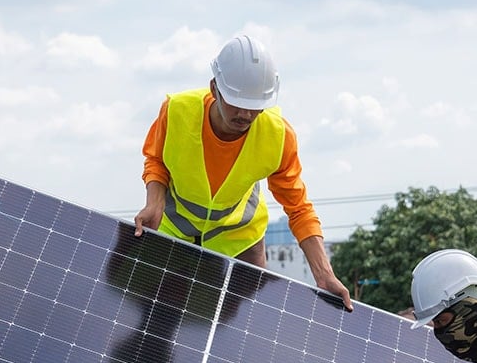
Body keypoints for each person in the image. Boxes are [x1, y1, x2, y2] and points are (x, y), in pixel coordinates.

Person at [133, 34, 353, 311]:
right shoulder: (177, 111)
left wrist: (324, 274)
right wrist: (153, 203)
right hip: (175, 231)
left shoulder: (278, 136)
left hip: (241, 241)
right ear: (215, 88)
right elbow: (156, 159)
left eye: (255, 106)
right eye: (237, 102)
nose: (246, 115)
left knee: (244, 328)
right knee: (161, 315)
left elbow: (299, 208)